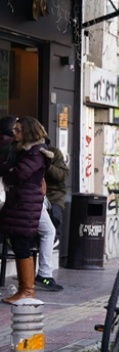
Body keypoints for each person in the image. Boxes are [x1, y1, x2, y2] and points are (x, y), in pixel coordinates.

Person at [0, 116, 49, 304]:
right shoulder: (22, 150)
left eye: (18, 130)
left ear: (28, 132)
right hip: (20, 204)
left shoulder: (35, 153)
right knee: (18, 243)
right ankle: (24, 289)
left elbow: (18, 174)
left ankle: (27, 290)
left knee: (21, 245)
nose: (14, 132)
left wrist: (9, 171)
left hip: (25, 205)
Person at [31, 140, 68, 292]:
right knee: (45, 232)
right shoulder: (27, 152)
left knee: (53, 220)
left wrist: (47, 164)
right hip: (34, 197)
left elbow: (62, 175)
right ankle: (38, 277)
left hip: (52, 196)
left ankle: (40, 275)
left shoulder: (54, 154)